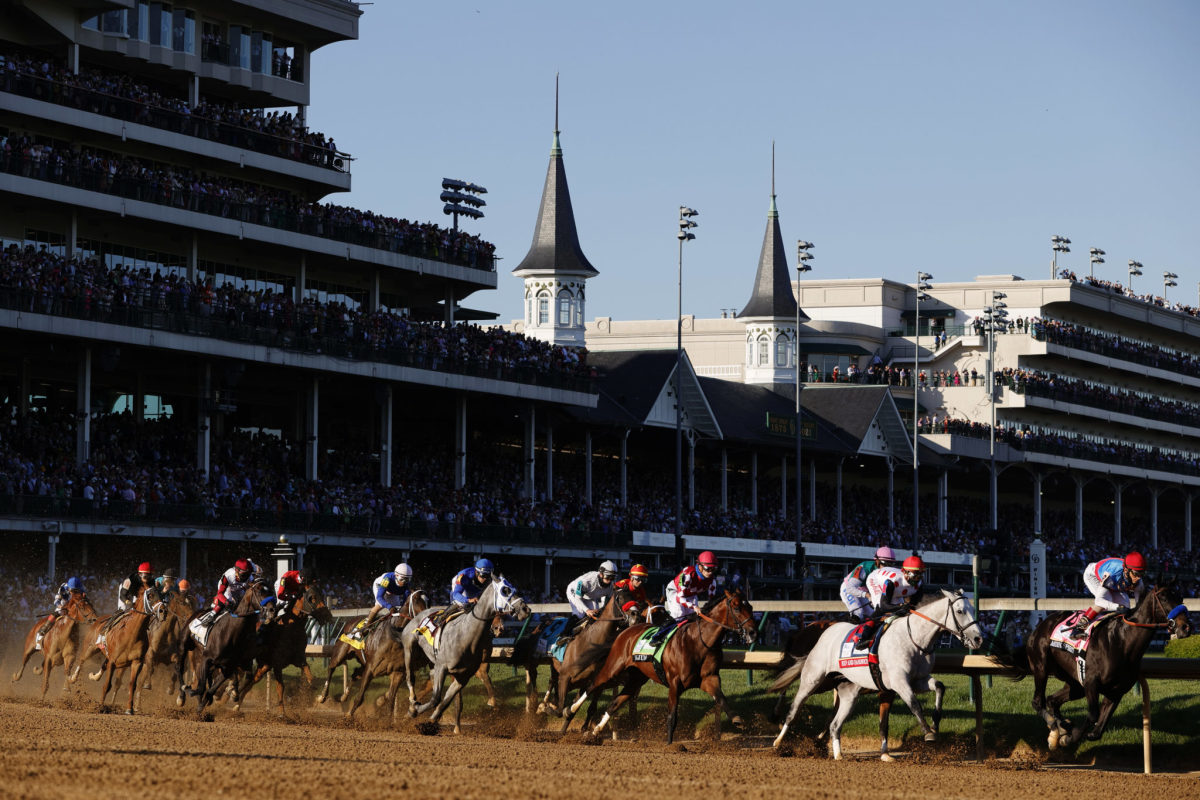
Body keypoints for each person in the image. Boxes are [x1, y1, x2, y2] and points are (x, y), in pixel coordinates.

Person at [1067, 552, 1146, 639]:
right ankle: (1078, 628)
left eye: (1141, 574)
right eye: (1136, 574)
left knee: (1126, 605)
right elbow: (1100, 601)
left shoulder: (1138, 581)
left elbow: (1139, 606)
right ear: (1127, 570)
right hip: (1094, 576)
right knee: (1107, 599)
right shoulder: (1112, 574)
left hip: (1114, 582)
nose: (1138, 578)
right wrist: (1117, 607)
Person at [648, 551, 719, 646]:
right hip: (676, 592)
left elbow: (712, 601)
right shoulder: (688, 575)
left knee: (693, 619)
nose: (710, 572)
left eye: (713, 569)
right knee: (680, 615)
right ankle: (657, 637)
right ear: (700, 566)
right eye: (708, 569)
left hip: (691, 594)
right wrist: (694, 606)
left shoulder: (712, 581)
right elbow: (680, 598)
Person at [857, 555, 925, 646]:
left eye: (920, 575)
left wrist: (904, 607)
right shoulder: (892, 581)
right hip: (876, 580)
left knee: (903, 611)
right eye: (915, 575)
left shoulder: (920, 584)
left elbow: (912, 606)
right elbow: (884, 606)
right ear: (905, 572)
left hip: (896, 588)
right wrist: (901, 606)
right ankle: (863, 637)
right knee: (879, 608)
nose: (917, 579)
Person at [840, 546, 898, 621]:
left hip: (863, 590)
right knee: (858, 613)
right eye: (885, 564)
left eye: (890, 565)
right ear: (877, 561)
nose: (887, 569)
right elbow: (850, 588)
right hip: (849, 588)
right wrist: (867, 595)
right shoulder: (865, 568)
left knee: (873, 614)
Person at [354, 563, 413, 632]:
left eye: (407, 579)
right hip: (380, 585)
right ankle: (367, 624)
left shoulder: (408, 584)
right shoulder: (387, 579)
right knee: (380, 605)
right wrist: (389, 607)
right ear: (396, 575)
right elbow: (379, 597)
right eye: (402, 579)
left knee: (397, 608)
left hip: (392, 590)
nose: (404, 582)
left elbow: (404, 602)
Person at [566, 560, 618, 627]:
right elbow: (577, 598)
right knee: (580, 614)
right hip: (574, 592)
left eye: (612, 577)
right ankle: (565, 634)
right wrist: (587, 610)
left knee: (596, 616)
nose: (609, 581)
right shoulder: (587, 581)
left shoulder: (611, 586)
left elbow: (607, 604)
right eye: (607, 577)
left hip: (590, 595)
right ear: (601, 574)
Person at [36, 576, 85, 641]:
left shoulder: (81, 589)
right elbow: (56, 601)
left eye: (76, 590)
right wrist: (61, 607)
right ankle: (43, 630)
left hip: (74, 608)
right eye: (73, 590)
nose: (74, 592)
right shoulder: (63, 588)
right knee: (57, 613)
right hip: (63, 605)